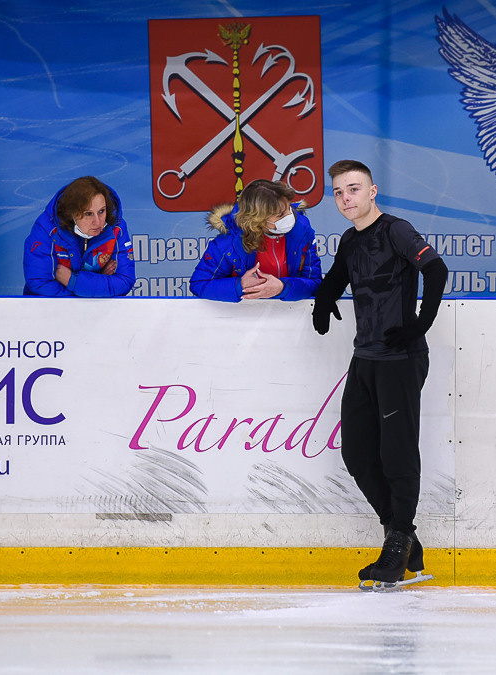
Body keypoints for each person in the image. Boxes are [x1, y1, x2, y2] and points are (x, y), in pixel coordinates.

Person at [311, 160, 448, 585]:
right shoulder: (350, 242)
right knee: (356, 452)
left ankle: (397, 543)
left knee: (397, 455)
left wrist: (421, 323)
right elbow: (336, 277)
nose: (345, 198)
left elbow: (436, 269)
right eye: (338, 192)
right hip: (365, 358)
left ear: (373, 191)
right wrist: (323, 299)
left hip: (400, 359)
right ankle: (403, 535)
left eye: (353, 189)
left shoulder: (396, 230)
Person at [189, 179, 321, 302]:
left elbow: (314, 282)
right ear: (258, 219)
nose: (291, 216)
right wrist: (240, 286)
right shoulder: (228, 243)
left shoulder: (303, 233)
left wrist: (282, 287)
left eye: (289, 208)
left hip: (290, 316)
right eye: (280, 214)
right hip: (240, 319)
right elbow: (200, 284)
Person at [23, 177, 135, 297]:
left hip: (101, 310)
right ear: (71, 213)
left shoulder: (116, 227)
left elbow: (125, 281)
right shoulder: (46, 227)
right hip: (48, 311)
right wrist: (98, 285)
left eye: (101, 211)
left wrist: (72, 281)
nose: (98, 222)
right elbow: (39, 284)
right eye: (88, 214)